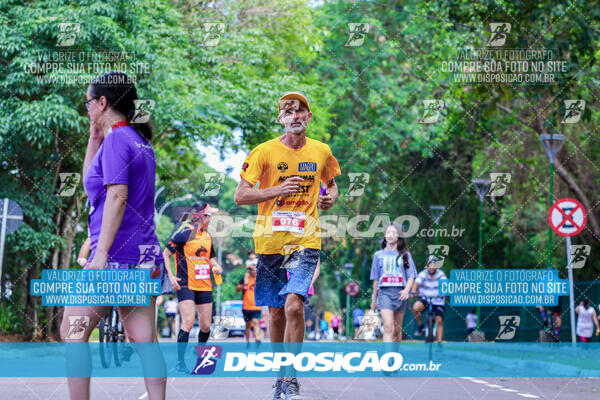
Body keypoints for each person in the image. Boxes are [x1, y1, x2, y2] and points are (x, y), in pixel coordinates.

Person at [60, 71, 172, 400]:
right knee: (144, 341)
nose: (87, 108)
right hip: (144, 257)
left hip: (117, 259)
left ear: (103, 102)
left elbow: (116, 197)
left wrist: (100, 254)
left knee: (73, 330)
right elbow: (92, 185)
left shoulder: (118, 140)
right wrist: (94, 137)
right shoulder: (138, 142)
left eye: (88, 102)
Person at [234, 91, 340, 400]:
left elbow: (332, 187)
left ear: (308, 117)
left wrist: (330, 198)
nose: (295, 115)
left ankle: (292, 378)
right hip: (270, 243)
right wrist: (277, 190)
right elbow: (241, 196)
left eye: (300, 110)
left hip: (305, 241)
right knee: (276, 313)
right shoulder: (264, 152)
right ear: (281, 119)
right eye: (288, 111)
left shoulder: (321, 152)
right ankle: (280, 376)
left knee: (294, 305)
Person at [162, 201, 223, 373]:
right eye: (208, 215)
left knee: (205, 326)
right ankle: (180, 362)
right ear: (200, 216)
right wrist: (171, 276)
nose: (210, 218)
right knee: (188, 322)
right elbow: (165, 254)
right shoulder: (183, 234)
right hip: (186, 284)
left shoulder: (208, 237)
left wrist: (216, 266)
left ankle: (200, 359)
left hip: (205, 285)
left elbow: (210, 258)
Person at [370, 224, 417, 343]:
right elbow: (375, 279)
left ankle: (395, 357)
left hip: (400, 294)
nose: (390, 235)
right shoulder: (378, 255)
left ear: (398, 236)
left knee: (397, 330)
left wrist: (407, 290)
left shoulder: (405, 254)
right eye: (388, 232)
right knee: (387, 326)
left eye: (393, 232)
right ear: (385, 236)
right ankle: (387, 359)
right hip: (384, 293)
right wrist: (374, 300)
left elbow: (411, 275)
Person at [412, 255, 447, 347]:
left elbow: (445, 285)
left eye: (434, 264)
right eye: (430, 264)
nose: (432, 266)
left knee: (439, 320)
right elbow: (416, 284)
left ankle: (439, 343)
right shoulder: (423, 274)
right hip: (425, 299)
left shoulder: (441, 274)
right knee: (416, 308)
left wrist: (446, 292)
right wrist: (413, 291)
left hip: (438, 301)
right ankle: (421, 326)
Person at [236, 258, 263, 345]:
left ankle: (257, 339)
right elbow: (237, 289)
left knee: (256, 322)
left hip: (256, 306)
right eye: (251, 269)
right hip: (246, 307)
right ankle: (247, 341)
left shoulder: (259, 279)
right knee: (247, 325)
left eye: (255, 269)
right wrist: (245, 283)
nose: (254, 271)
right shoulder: (245, 279)